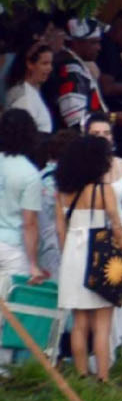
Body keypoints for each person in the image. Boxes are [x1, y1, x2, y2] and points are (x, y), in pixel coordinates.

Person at [55, 134, 122, 382]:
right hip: (101, 255)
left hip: (73, 255)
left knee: (79, 322)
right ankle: (103, 377)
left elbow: (60, 230)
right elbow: (118, 229)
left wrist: (67, 255)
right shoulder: (104, 190)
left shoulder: (63, 191)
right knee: (102, 323)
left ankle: (81, 375)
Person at [0, 109, 47, 287]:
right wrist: (34, 264)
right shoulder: (30, 174)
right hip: (12, 247)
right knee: (10, 308)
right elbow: (30, 224)